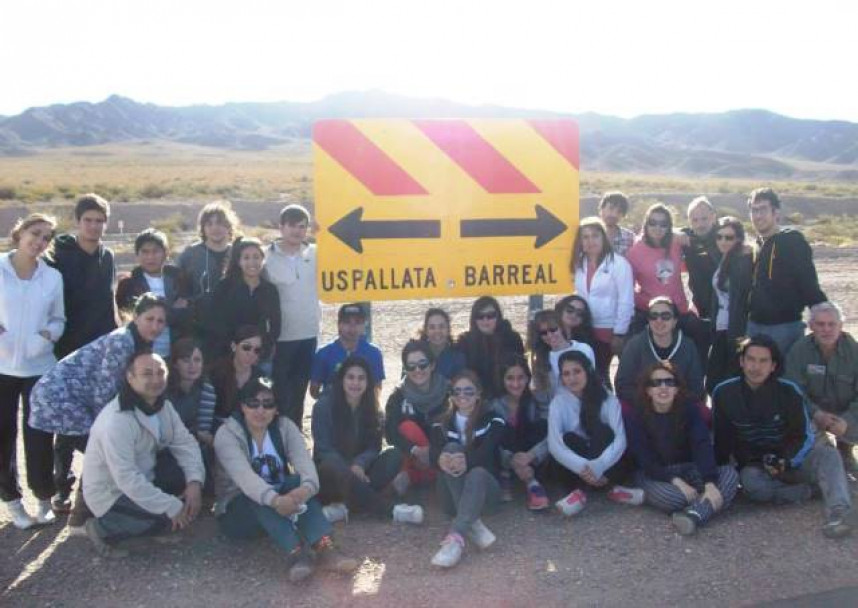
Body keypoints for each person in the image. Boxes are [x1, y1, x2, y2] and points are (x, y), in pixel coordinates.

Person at [29, 293, 168, 527]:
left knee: (99, 448)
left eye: (160, 321)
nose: (155, 326)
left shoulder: (140, 341)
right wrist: (112, 428)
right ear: (136, 317)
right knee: (102, 451)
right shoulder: (122, 341)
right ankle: (82, 517)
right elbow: (104, 392)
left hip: (75, 398)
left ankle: (84, 508)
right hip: (58, 397)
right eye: (149, 318)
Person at [214, 377, 357, 583]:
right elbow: (245, 480)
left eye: (268, 404)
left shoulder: (284, 427)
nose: (260, 410)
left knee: (296, 482)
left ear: (276, 409)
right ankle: (296, 553)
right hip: (238, 512)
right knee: (255, 495)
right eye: (253, 403)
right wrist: (276, 500)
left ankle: (325, 547)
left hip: (280, 503)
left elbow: (306, 467)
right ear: (242, 406)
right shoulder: (227, 434)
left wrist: (304, 490)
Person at [713, 335, 853, 538]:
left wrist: (785, 461)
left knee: (829, 456)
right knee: (752, 484)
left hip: (792, 458)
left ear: (773, 365)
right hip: (756, 466)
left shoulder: (789, 391)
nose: (756, 367)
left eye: (763, 361)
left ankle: (839, 512)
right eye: (751, 359)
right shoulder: (724, 393)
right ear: (742, 362)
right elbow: (723, 440)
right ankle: (810, 491)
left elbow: (803, 436)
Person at [81, 351, 204, 556]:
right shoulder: (116, 421)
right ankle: (102, 528)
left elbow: (185, 443)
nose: (156, 379)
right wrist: (171, 506)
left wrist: (194, 482)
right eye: (147, 374)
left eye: (160, 372)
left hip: (147, 476)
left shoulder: (163, 406)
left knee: (194, 470)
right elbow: (126, 479)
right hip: (113, 493)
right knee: (168, 514)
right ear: (130, 378)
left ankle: (153, 521)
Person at [47, 193, 118, 514]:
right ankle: (62, 487)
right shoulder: (59, 256)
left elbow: (108, 302)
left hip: (100, 351)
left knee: (100, 416)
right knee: (68, 420)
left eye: (99, 221)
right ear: (78, 222)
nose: (94, 226)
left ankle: (99, 483)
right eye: (88, 220)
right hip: (66, 351)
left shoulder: (107, 257)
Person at [0, 214, 64, 528]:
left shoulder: (52, 277)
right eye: (35, 233)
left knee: (39, 433)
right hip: (1, 366)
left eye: (46, 238)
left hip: (39, 365)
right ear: (20, 231)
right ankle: (11, 500)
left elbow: (58, 319)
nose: (39, 242)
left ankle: (43, 497)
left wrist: (48, 337)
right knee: (2, 435)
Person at [626, 362, 739, 535]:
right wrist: (676, 481)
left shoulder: (689, 410)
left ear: (677, 388)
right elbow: (646, 460)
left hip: (688, 468)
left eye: (669, 382)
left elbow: (702, 444)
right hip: (656, 475)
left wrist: (709, 483)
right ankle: (704, 507)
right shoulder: (637, 415)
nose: (663, 387)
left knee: (730, 476)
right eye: (656, 383)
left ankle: (694, 515)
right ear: (648, 390)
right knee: (674, 499)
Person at [312, 356, 423, 525]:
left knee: (395, 456)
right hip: (331, 475)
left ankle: (344, 507)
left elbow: (374, 447)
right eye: (350, 377)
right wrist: (349, 470)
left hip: (361, 471)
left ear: (368, 382)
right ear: (341, 379)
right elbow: (323, 449)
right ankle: (391, 511)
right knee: (331, 464)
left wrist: (359, 464)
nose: (355, 383)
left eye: (361, 378)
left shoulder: (373, 409)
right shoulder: (323, 406)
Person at [548, 351, 641, 517]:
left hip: (606, 464)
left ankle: (582, 493)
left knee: (603, 431)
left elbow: (620, 438)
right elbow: (555, 445)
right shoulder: (558, 403)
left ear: (587, 371)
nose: (572, 378)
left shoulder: (606, 398)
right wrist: (586, 468)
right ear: (561, 378)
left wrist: (599, 465)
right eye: (566, 374)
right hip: (578, 468)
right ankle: (611, 490)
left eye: (577, 371)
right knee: (568, 439)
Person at [429, 371, 506, 568]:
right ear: (451, 395)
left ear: (479, 394)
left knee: (477, 472)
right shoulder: (440, 422)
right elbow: (432, 455)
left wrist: (466, 462)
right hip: (450, 499)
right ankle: (473, 524)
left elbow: (488, 453)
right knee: (450, 450)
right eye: (457, 391)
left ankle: (455, 538)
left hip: (485, 495)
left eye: (469, 391)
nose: (462, 396)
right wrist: (441, 459)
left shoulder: (493, 420)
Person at [747, 187, 827, 356]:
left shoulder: (791, 240)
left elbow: (807, 281)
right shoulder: (756, 245)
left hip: (784, 328)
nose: (758, 215)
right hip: (754, 326)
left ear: (776, 213)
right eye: (754, 210)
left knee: (784, 378)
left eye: (763, 209)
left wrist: (824, 314)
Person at [265, 204, 321, 429]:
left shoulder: (316, 254)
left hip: (308, 334)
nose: (297, 231)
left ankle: (295, 437)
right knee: (279, 392)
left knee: (299, 392)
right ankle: (275, 436)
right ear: (281, 227)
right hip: (280, 338)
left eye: (302, 226)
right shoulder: (266, 257)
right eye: (291, 226)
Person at [785, 302, 858, 473]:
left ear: (841, 326)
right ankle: (825, 458)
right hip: (813, 413)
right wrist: (816, 414)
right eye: (820, 324)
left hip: (846, 413)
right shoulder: (799, 351)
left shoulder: (854, 352)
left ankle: (845, 450)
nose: (827, 329)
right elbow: (793, 390)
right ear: (811, 326)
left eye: (832, 324)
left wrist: (847, 421)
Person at [570, 217, 633, 386]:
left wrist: (619, 333)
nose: (591, 241)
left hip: (612, 330)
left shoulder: (619, 264)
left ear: (603, 238)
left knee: (620, 378)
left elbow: (626, 300)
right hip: (588, 329)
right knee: (596, 377)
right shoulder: (579, 265)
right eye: (585, 237)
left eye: (595, 236)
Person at [615, 297, 705, 411]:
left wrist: (669, 401)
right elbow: (622, 386)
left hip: (679, 408)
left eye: (665, 316)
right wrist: (653, 401)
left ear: (675, 321)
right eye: (653, 316)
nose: (659, 320)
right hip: (643, 407)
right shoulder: (634, 345)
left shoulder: (688, 346)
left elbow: (696, 387)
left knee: (704, 413)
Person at [116, 228, 192, 357]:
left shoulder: (179, 281)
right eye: (145, 252)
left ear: (165, 253)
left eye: (155, 251)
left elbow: (189, 316)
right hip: (141, 354)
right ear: (137, 255)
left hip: (176, 355)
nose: (150, 257)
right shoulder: (129, 285)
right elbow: (131, 322)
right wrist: (174, 312)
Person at [384, 340, 449, 492]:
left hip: (440, 454)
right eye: (411, 366)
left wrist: (431, 453)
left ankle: (420, 478)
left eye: (423, 364)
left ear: (432, 365)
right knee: (408, 428)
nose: (417, 370)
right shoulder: (398, 395)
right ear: (405, 369)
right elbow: (390, 432)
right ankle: (413, 477)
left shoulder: (448, 391)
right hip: (412, 455)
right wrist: (414, 449)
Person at [205, 237, 280, 363]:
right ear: (238, 261)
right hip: (228, 356)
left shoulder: (270, 290)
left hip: (259, 356)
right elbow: (215, 321)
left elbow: (276, 326)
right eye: (246, 258)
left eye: (256, 257)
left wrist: (262, 349)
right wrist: (234, 348)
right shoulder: (225, 287)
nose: (252, 262)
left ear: (263, 259)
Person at [490, 355, 550, 510]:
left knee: (541, 426)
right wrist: (511, 460)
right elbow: (490, 442)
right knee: (501, 429)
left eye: (520, 378)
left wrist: (530, 456)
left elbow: (552, 436)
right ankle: (520, 478)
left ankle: (530, 480)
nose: (516, 384)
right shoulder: (494, 406)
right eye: (510, 378)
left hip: (532, 457)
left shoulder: (537, 401)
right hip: (506, 457)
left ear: (527, 378)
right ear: (502, 380)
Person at [177, 200, 238, 340]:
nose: (215, 228)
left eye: (220, 223)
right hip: (199, 329)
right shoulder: (191, 254)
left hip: (233, 329)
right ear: (203, 228)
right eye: (209, 224)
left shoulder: (238, 254)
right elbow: (178, 287)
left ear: (229, 226)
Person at [706, 217, 752, 393]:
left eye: (729, 237)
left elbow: (741, 302)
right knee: (715, 381)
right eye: (719, 236)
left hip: (735, 330)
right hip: (721, 327)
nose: (723, 241)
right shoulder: (725, 259)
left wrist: (739, 336)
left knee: (729, 379)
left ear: (739, 239)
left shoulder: (742, 262)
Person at [166, 338, 217, 488]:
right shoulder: (164, 389)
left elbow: (203, 430)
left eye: (197, 360)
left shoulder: (206, 390)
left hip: (192, 444)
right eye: (186, 360)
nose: (192, 366)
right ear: (175, 363)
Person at [309, 303, 384, 398]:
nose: (352, 327)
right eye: (347, 322)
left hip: (363, 407)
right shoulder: (324, 353)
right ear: (339, 325)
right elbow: (314, 390)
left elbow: (377, 388)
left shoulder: (374, 353)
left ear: (364, 325)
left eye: (357, 322)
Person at [455, 296, 525, 398]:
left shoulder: (512, 338)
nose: (485, 320)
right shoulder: (465, 342)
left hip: (507, 397)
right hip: (476, 399)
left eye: (490, 315)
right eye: (480, 316)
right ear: (474, 319)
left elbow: (521, 371)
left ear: (498, 316)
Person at [529, 309, 595, 398]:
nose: (549, 335)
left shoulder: (584, 349)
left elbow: (592, 378)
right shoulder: (541, 360)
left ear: (561, 327)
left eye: (553, 329)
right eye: (543, 333)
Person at [208, 325, 264, 423]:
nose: (251, 353)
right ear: (234, 346)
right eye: (246, 347)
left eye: (257, 350)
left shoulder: (261, 377)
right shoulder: (215, 373)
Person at [418, 308, 466, 380]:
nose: (437, 331)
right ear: (426, 331)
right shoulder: (415, 355)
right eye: (432, 327)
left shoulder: (458, 358)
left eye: (441, 326)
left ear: (448, 330)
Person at [598, 191, 635, 257]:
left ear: (623, 215)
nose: (614, 214)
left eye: (619, 211)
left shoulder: (630, 238)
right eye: (611, 208)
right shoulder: (588, 235)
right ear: (602, 209)